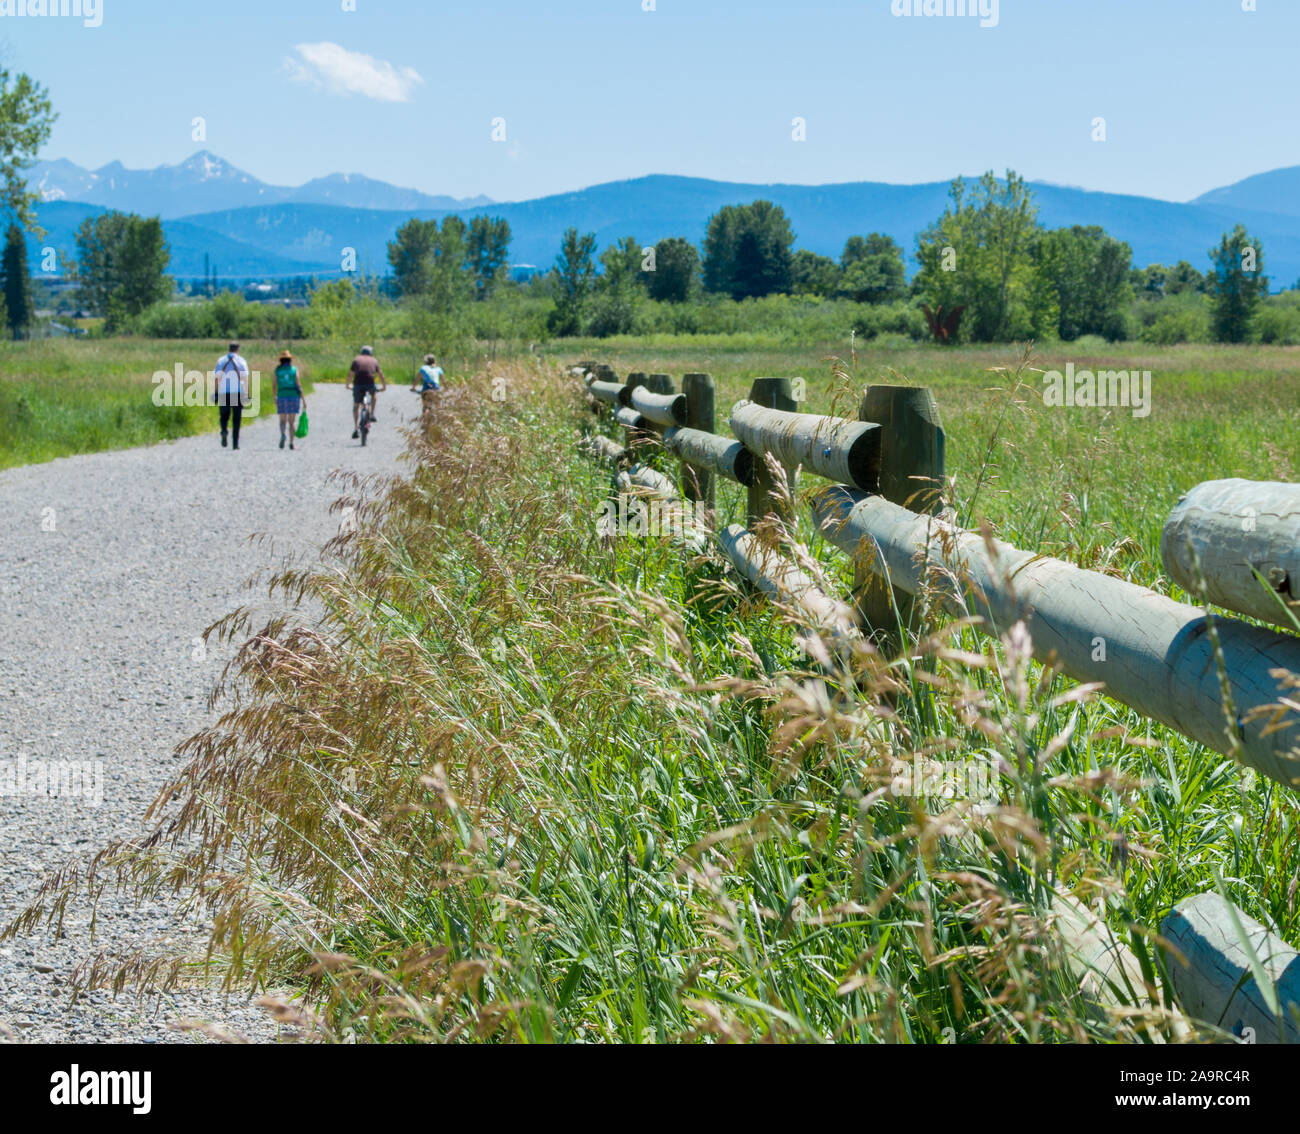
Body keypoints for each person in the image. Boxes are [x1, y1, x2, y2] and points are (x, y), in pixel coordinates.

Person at [213, 341, 249, 450]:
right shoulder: (241, 361)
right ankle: (235, 443)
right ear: (238, 349)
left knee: (224, 416)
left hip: (224, 392)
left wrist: (216, 392)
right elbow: (245, 378)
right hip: (237, 392)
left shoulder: (221, 360)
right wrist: (246, 393)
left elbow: (217, 378)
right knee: (236, 418)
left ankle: (224, 431)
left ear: (229, 349)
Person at [348, 345, 386, 438]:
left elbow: (350, 374)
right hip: (370, 383)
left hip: (358, 384)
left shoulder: (356, 359)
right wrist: (384, 387)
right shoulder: (374, 360)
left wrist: (347, 385)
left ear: (362, 352)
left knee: (356, 405)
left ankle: (355, 427)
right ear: (371, 353)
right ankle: (372, 414)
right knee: (374, 394)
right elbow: (381, 375)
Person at [275, 350, 306, 450]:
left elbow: (273, 385)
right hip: (293, 396)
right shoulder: (294, 370)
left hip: (282, 395)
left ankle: (283, 434)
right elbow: (298, 384)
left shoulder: (278, 370)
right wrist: (303, 399)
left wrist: (275, 396)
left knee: (282, 420)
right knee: (291, 422)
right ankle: (292, 443)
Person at [410, 353, 443, 420]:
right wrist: (446, 388)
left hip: (426, 389)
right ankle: (438, 420)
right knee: (438, 406)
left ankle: (425, 419)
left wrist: (413, 388)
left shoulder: (423, 368)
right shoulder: (439, 369)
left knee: (425, 407)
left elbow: (417, 379)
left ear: (426, 362)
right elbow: (444, 381)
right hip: (436, 389)